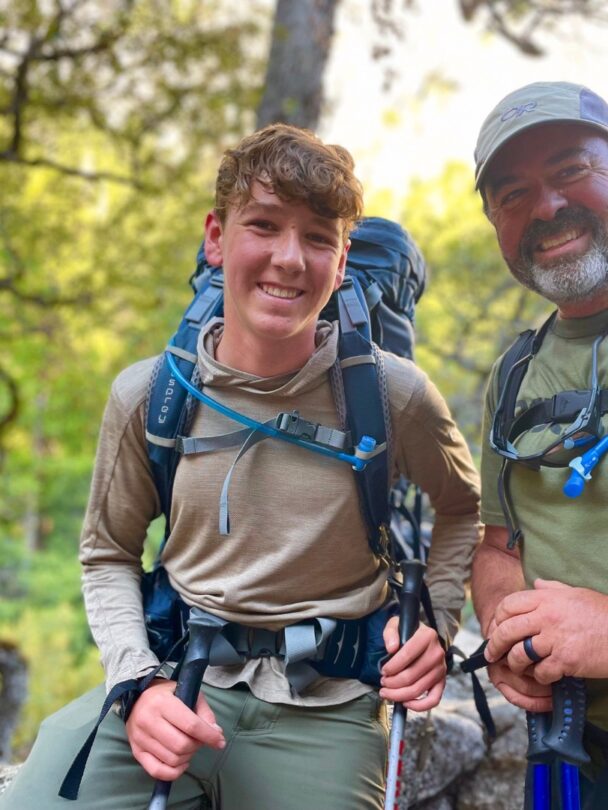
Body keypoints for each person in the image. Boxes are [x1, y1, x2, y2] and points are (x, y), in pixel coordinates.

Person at [1, 123, 480, 810]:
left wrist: (435, 619)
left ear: (342, 262)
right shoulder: (150, 394)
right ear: (217, 238)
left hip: (329, 708)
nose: (290, 258)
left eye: (319, 237)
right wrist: (135, 684)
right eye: (264, 225)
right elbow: (106, 552)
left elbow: (465, 508)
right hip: (174, 680)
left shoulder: (391, 393)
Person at [470, 81, 608, 806]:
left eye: (569, 171)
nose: (547, 207)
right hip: (570, 747)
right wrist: (504, 627)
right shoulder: (515, 375)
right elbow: (500, 546)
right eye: (513, 193)